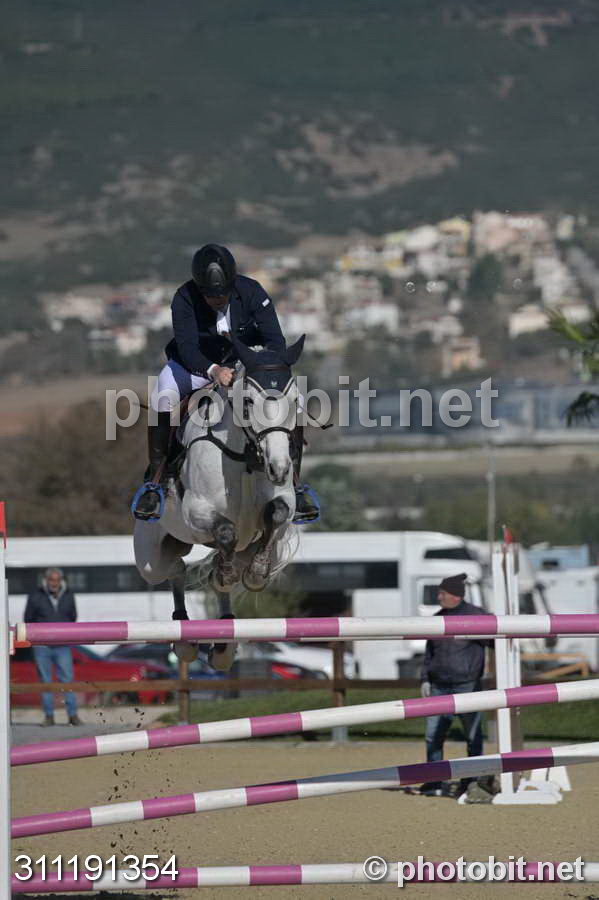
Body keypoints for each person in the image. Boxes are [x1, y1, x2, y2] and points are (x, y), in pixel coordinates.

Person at [133, 243, 319, 523]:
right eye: (210, 295)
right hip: (195, 365)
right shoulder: (184, 298)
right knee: (162, 395)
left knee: (297, 402)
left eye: (222, 294)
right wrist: (214, 370)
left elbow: (274, 339)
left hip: (245, 365)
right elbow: (186, 347)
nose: (217, 300)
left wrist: (258, 366)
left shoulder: (252, 291)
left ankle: (295, 483)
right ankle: (156, 482)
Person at [419, 572, 492, 798]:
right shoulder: (437, 618)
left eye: (442, 593)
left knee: (473, 736)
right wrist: (425, 679)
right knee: (433, 736)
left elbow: (495, 641)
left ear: (456, 596)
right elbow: (429, 655)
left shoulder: (477, 616)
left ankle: (472, 782)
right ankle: (434, 782)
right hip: (439, 686)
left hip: (467, 686)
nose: (439, 597)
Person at [23, 568, 81, 727]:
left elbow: (73, 617)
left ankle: (72, 715)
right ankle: (49, 716)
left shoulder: (68, 594)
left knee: (67, 680)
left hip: (63, 645)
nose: (54, 583)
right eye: (51, 579)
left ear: (61, 580)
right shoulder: (36, 595)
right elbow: (28, 618)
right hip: (42, 646)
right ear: (46, 580)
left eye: (57, 580)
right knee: (45, 681)